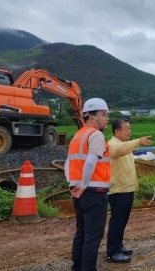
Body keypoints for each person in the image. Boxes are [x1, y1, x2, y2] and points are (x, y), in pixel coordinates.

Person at [64, 98, 110, 271]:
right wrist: (83, 184)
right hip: (94, 191)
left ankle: (77, 267)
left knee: (81, 233)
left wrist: (73, 185)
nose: (107, 119)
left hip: (79, 192)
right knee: (93, 236)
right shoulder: (95, 135)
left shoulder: (78, 136)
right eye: (104, 115)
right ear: (92, 116)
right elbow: (91, 162)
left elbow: (68, 163)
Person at [106, 118, 152, 263]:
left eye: (129, 128)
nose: (129, 131)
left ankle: (118, 245)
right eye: (126, 129)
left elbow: (125, 149)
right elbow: (119, 150)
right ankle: (113, 252)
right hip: (118, 189)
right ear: (116, 131)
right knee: (117, 221)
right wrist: (138, 141)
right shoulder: (112, 144)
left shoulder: (124, 145)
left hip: (126, 188)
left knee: (123, 220)